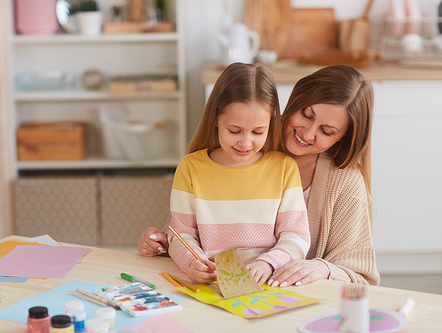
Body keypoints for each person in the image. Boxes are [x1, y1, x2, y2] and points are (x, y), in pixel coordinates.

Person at [138, 64, 380, 287]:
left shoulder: (344, 181)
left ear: (341, 138)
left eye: (327, 131)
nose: (307, 133)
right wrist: (162, 243)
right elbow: (188, 231)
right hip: (222, 289)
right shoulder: (240, 150)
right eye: (306, 115)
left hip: (288, 297)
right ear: (295, 101)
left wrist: (322, 268)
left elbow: (361, 276)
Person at [167, 62, 310, 285]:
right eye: (234, 131)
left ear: (271, 121)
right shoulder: (191, 167)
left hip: (269, 282)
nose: (245, 142)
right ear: (215, 118)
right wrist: (192, 262)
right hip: (212, 283)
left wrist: (267, 263)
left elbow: (297, 236)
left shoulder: (284, 167)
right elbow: (180, 234)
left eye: (257, 131)